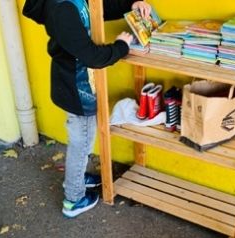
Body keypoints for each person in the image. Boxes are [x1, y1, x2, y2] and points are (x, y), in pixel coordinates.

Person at [23, 0, 152, 218]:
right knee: (82, 142)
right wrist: (121, 46)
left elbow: (98, 9)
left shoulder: (71, 3)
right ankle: (73, 199)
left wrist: (131, 4)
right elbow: (92, 56)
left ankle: (77, 178)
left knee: (82, 139)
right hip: (76, 88)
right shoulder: (61, 8)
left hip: (81, 83)